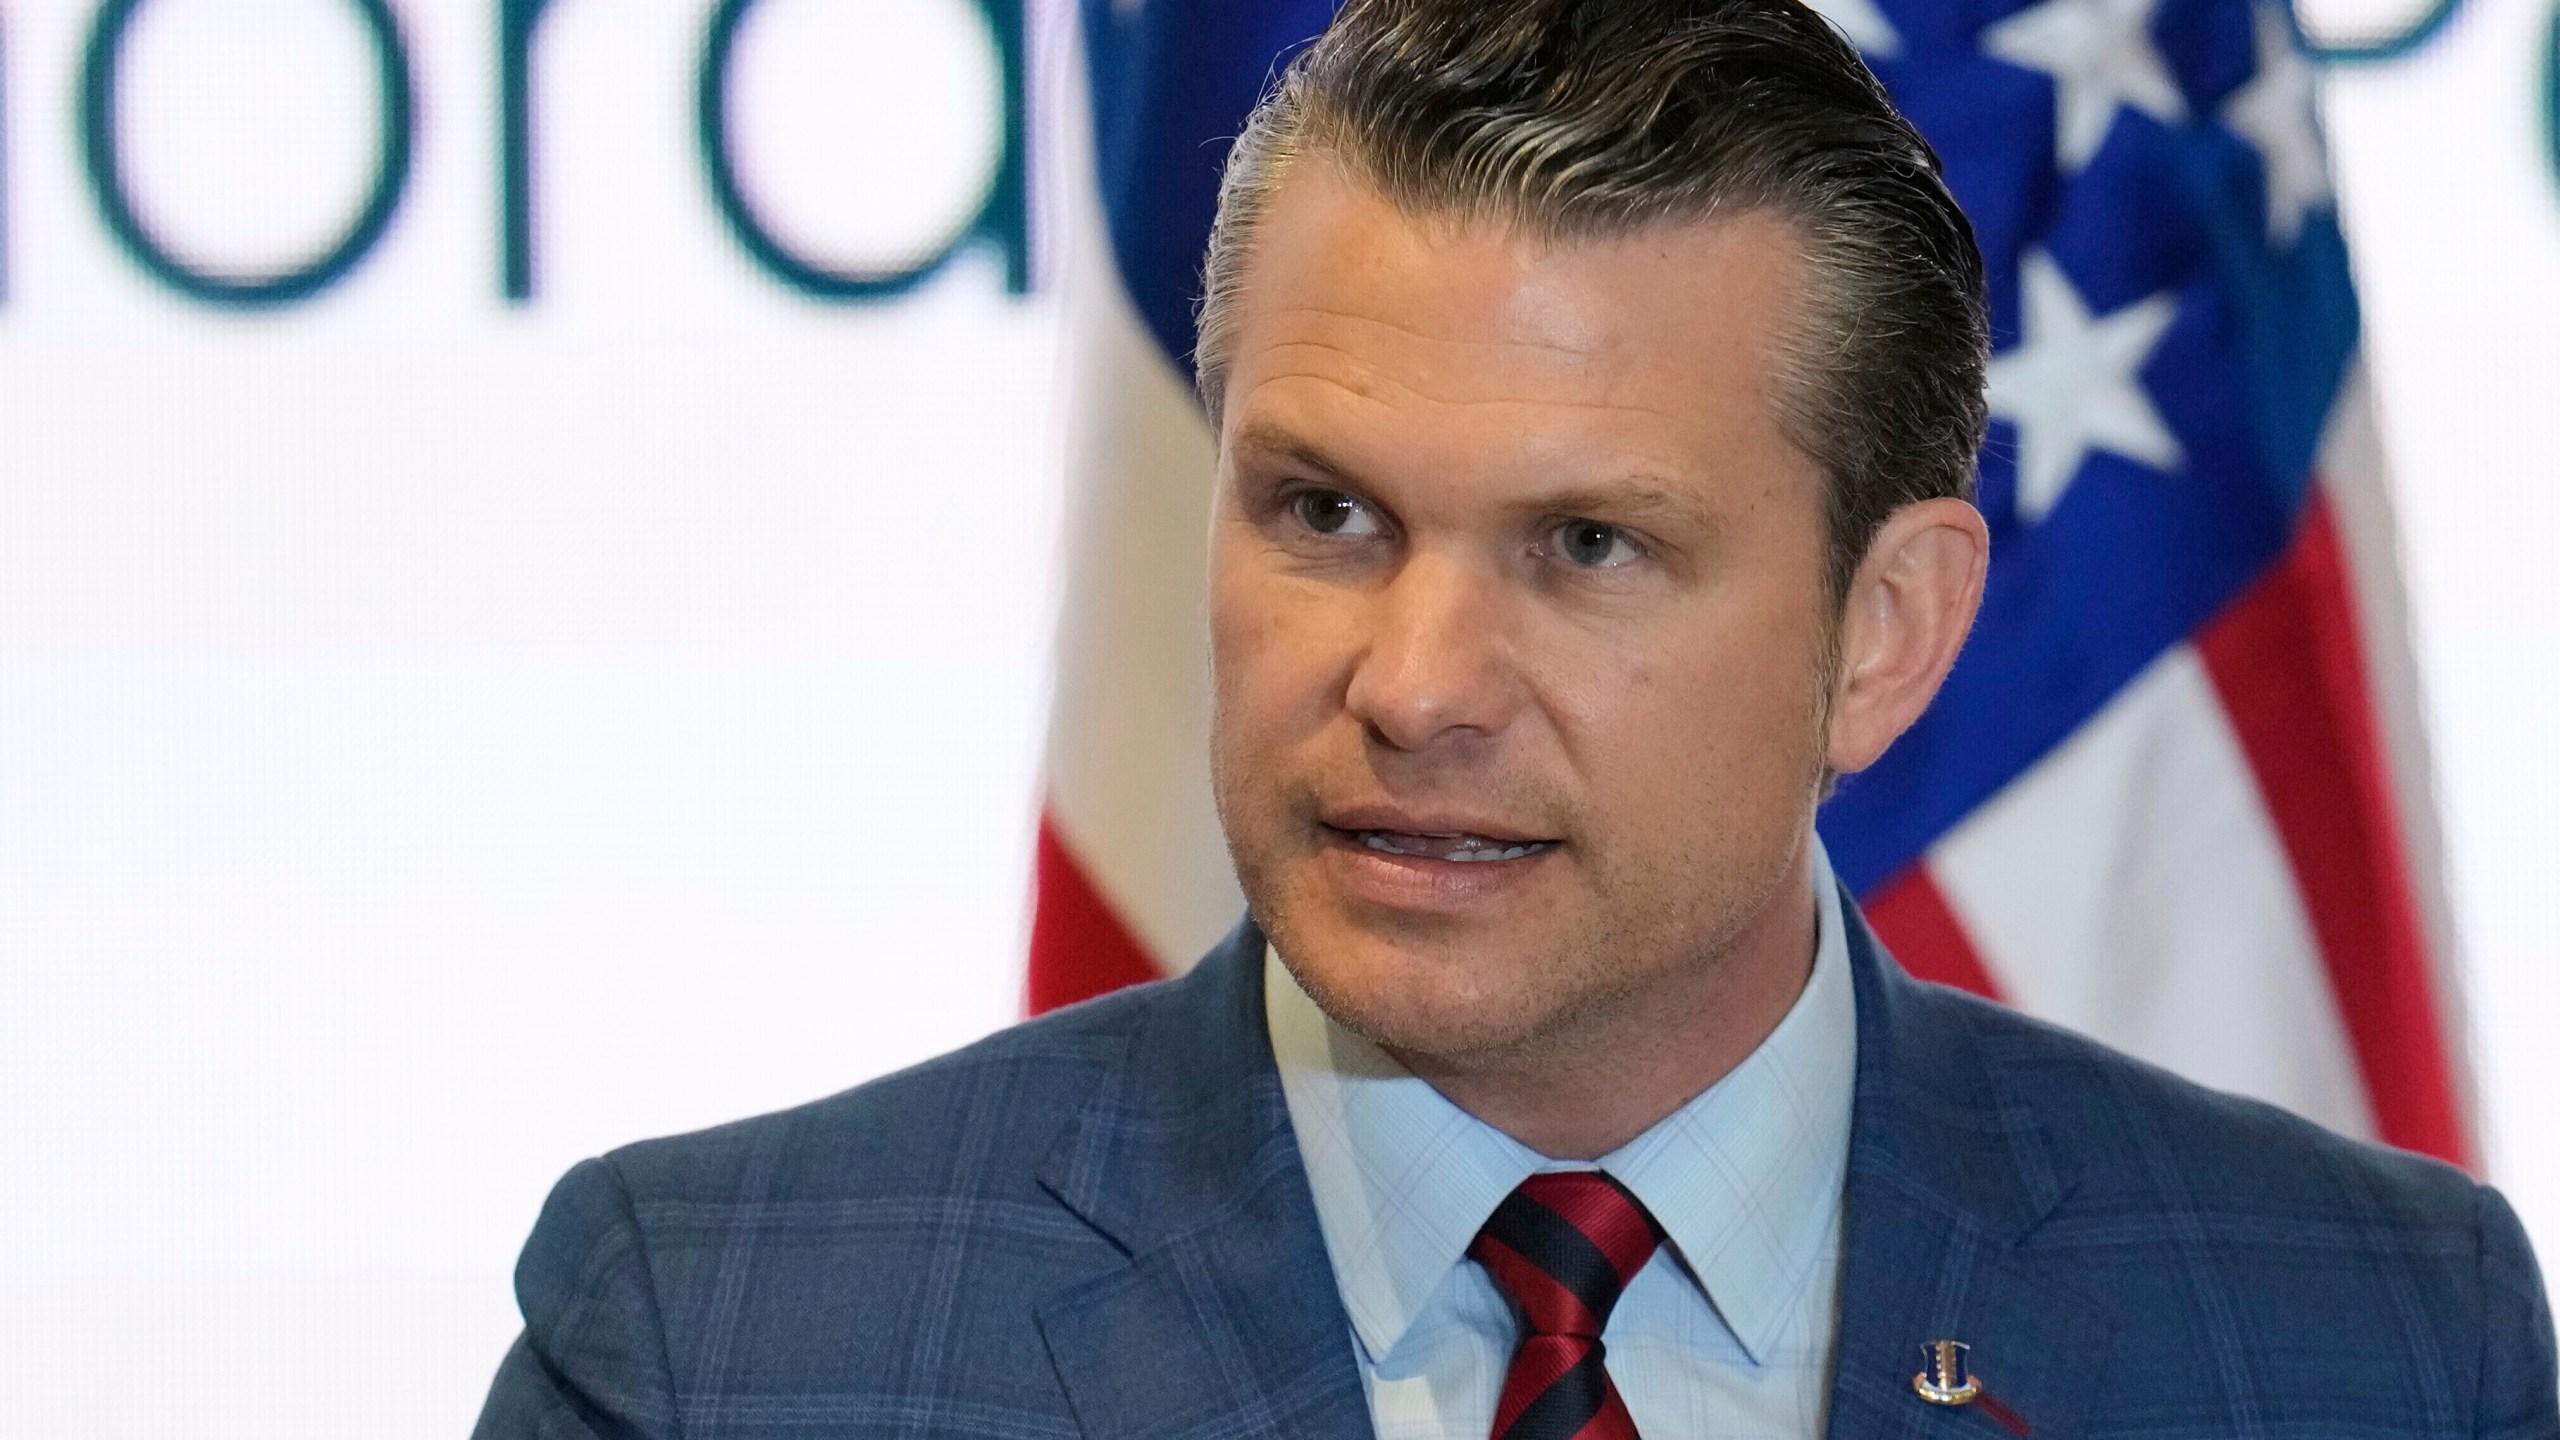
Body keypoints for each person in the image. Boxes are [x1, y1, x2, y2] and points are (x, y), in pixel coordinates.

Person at [473, 0, 2557, 1435]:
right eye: (1323, 513)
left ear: (1887, 634)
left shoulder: (2358, 1339)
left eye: (1585, 548)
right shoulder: (720, 1346)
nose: (1412, 686)